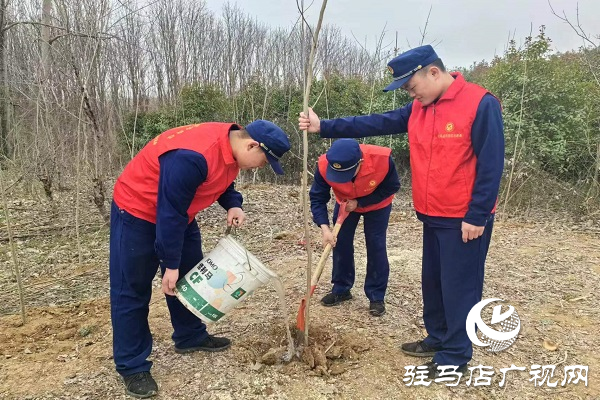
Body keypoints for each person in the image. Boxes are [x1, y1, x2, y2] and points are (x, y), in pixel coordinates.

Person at [299, 44, 504, 378]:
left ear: (433, 72)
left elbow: (491, 164)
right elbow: (372, 123)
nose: (410, 93)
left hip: (464, 218)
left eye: (412, 86)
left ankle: (456, 354)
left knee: (460, 286)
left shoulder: (480, 104)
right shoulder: (419, 109)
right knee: (434, 281)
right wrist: (325, 127)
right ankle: (437, 337)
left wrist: (477, 214)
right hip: (431, 213)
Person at [110, 120, 290, 398]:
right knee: (131, 290)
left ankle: (189, 336)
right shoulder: (190, 156)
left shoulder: (231, 144)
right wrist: (170, 263)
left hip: (181, 215)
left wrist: (233, 202)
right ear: (252, 145)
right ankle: (133, 366)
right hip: (137, 212)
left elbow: (222, 178)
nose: (259, 167)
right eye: (263, 161)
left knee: (188, 278)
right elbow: (168, 212)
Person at [309, 139, 400, 317]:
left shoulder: (382, 159)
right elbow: (317, 198)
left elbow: (392, 186)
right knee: (340, 242)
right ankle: (342, 289)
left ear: (361, 162)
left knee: (376, 245)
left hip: (377, 205)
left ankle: (376, 296)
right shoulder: (323, 165)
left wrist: (360, 202)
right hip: (344, 203)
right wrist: (325, 228)